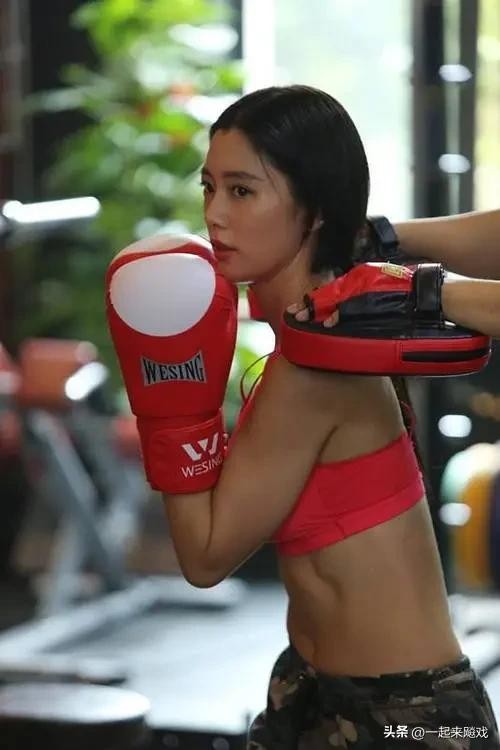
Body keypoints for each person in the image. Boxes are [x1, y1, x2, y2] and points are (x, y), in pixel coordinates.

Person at [106, 85, 500, 748]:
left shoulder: (313, 372)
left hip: (404, 718)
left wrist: (171, 407)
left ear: (312, 211)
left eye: (242, 191)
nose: (214, 215)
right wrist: (380, 238)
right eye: (209, 187)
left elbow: (205, 556)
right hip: (312, 690)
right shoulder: (325, 335)